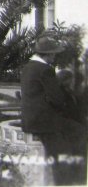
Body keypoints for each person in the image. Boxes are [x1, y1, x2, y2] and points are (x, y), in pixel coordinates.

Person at [20, 35, 87, 186]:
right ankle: (71, 180)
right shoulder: (45, 70)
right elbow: (57, 99)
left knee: (72, 131)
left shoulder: (28, 67)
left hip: (30, 119)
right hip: (44, 122)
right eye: (54, 54)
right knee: (77, 134)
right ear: (49, 54)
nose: (54, 58)